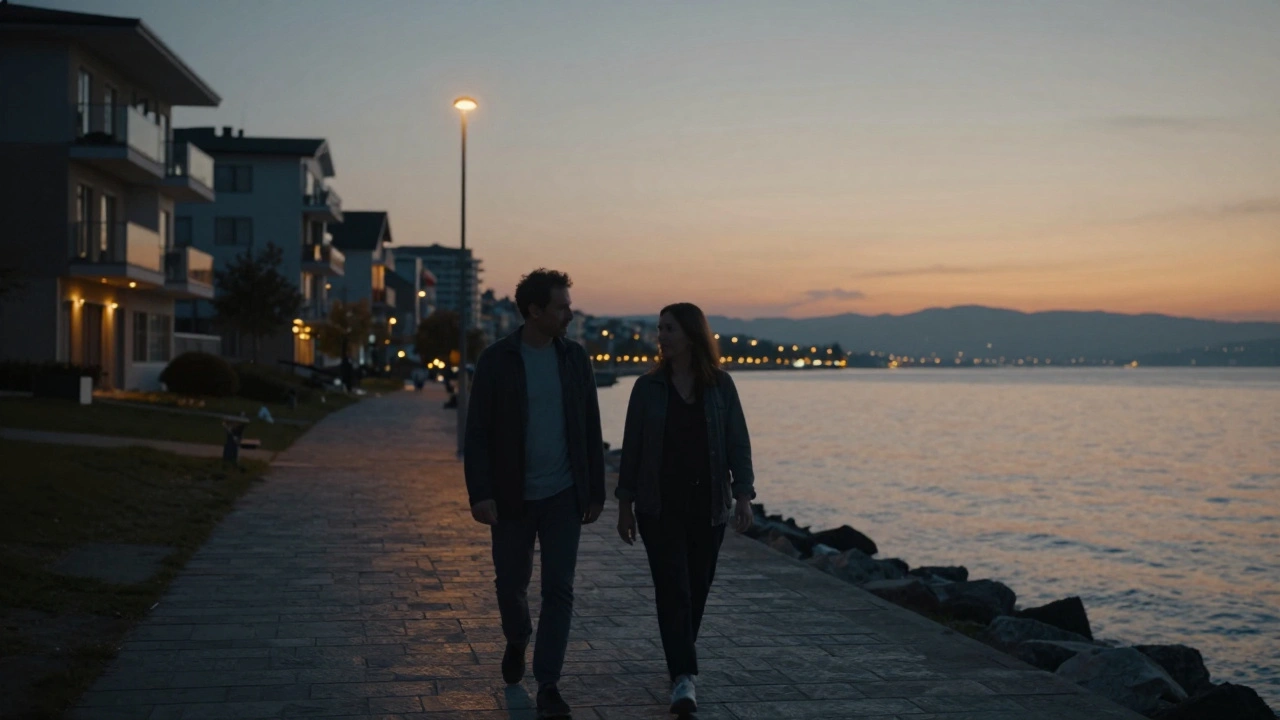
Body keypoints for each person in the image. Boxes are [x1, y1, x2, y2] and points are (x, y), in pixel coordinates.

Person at [464, 269, 605, 719]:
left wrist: (595, 491)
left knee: (559, 591)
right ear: (534, 311)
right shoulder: (496, 360)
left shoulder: (575, 359)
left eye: (568, 304)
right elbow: (478, 433)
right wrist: (480, 494)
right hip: (511, 498)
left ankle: (548, 683)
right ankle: (517, 637)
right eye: (561, 306)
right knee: (510, 584)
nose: (569, 312)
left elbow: (590, 429)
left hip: (564, 495)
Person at [616, 302, 755, 715]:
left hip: (708, 505)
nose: (661, 336)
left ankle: (679, 661)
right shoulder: (647, 389)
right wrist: (624, 506)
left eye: (669, 328)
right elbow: (632, 449)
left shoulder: (721, 387)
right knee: (673, 588)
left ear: (692, 334)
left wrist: (743, 494)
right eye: (659, 328)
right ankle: (683, 677)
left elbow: (737, 442)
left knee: (696, 589)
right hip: (659, 507)